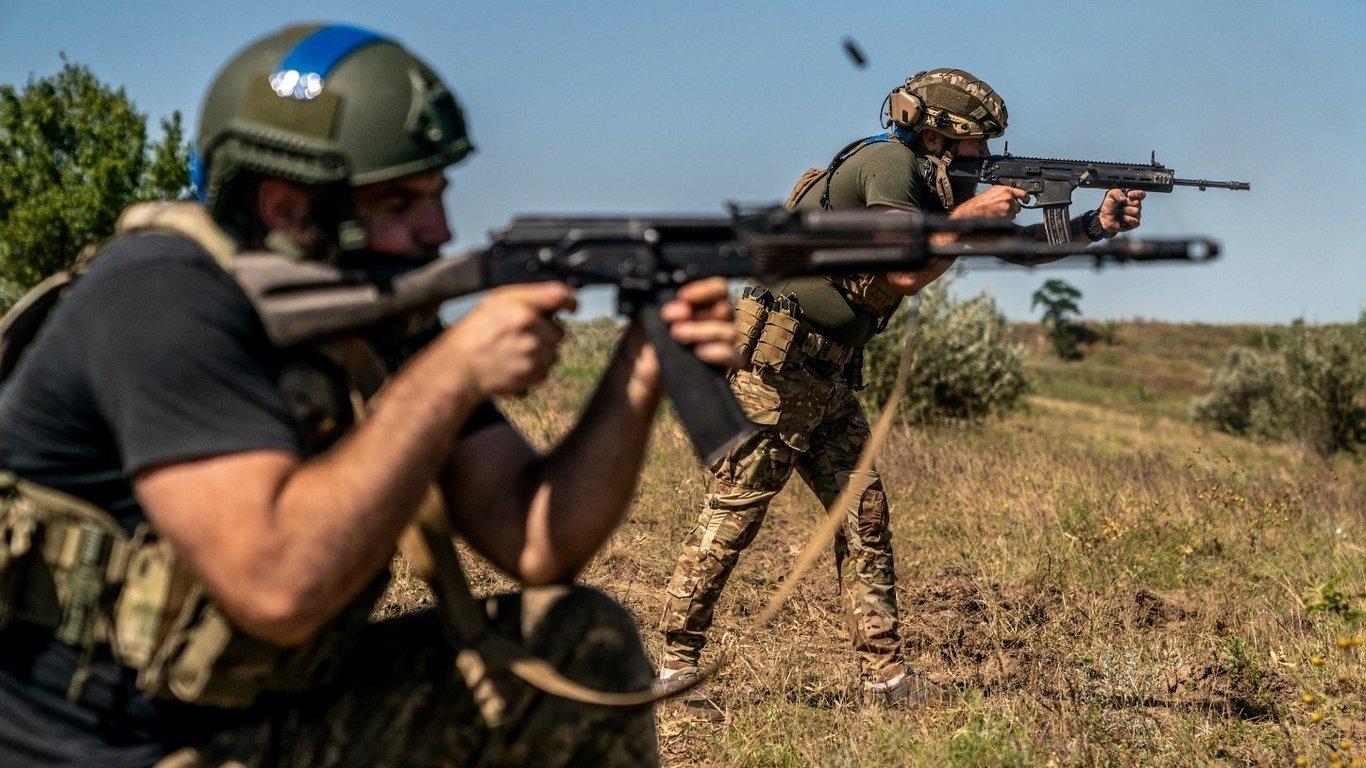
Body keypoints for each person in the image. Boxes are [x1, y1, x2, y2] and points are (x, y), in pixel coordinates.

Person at [0, 23, 737, 767]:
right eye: (401, 201)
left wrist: (638, 371)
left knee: (580, 643)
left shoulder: (375, 319)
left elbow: (535, 539)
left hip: (269, 718)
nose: (440, 228)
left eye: (439, 192)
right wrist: (449, 374)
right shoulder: (161, 299)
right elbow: (276, 586)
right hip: (101, 747)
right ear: (287, 207)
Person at [656, 68, 1144, 704]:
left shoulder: (931, 191)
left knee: (864, 519)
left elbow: (1017, 249)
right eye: (979, 146)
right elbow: (902, 268)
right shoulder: (891, 164)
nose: (989, 159)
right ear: (941, 134)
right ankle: (674, 665)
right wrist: (969, 214)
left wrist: (1095, 225)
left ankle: (884, 677)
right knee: (734, 518)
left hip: (829, 375)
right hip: (779, 371)